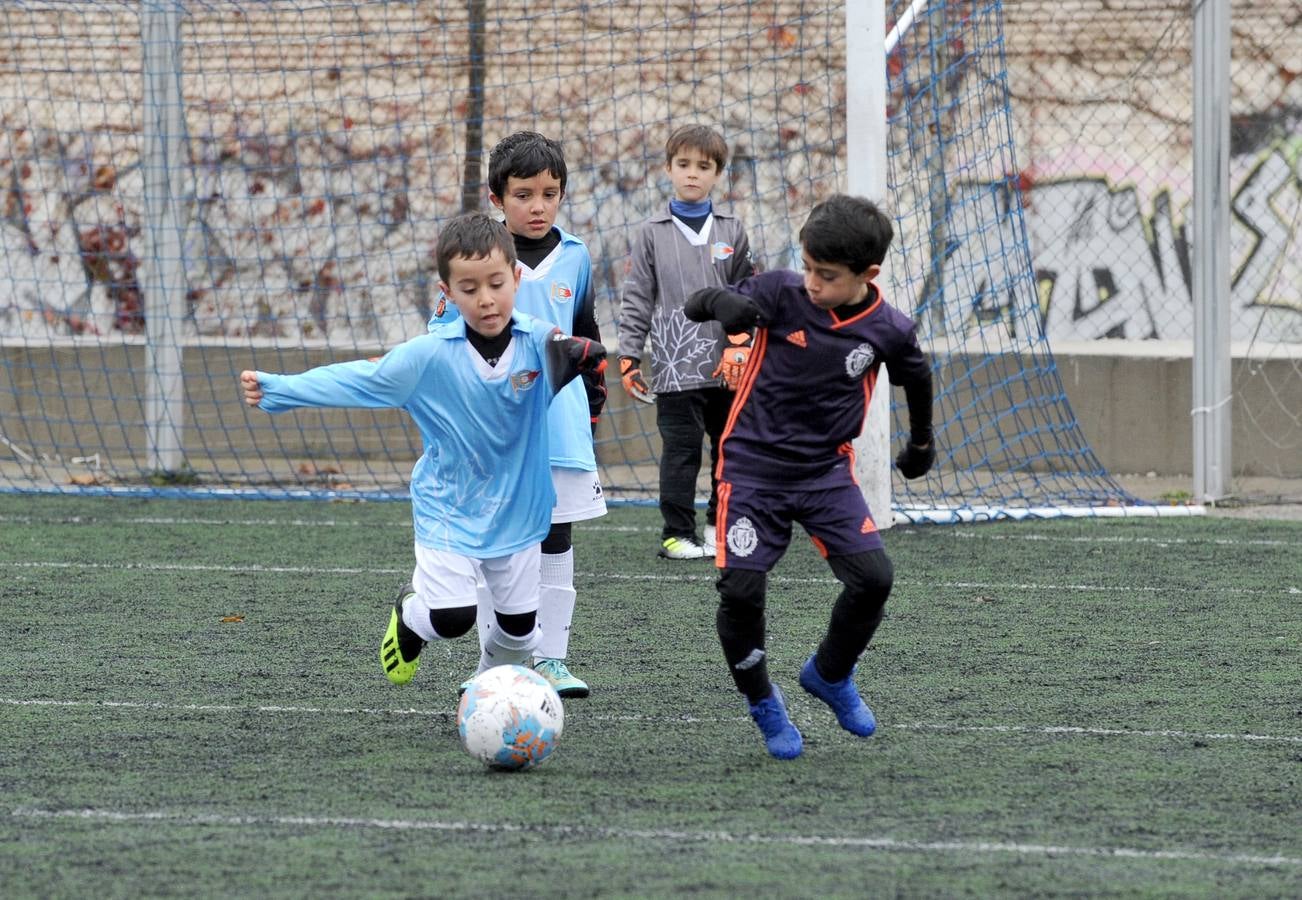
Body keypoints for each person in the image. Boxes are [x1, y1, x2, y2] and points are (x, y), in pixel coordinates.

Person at [240, 212, 606, 691]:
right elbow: (360, 380)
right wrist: (278, 389)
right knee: (453, 616)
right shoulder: (428, 356)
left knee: (519, 634)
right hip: (449, 507)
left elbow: (583, 356)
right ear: (448, 292)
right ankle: (410, 616)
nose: (486, 299)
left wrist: (589, 364)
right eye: (469, 289)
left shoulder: (539, 343)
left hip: (520, 511)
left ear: (516, 279)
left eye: (496, 283)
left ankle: (490, 692)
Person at [683, 194, 935, 760]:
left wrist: (921, 442)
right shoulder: (779, 293)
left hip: (824, 473)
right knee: (742, 592)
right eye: (808, 267)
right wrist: (723, 303)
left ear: (867, 275)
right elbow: (697, 303)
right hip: (751, 470)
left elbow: (916, 376)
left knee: (873, 579)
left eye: (827, 276)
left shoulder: (887, 328)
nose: (813, 284)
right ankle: (763, 701)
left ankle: (830, 674)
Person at [428, 132, 606, 698]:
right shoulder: (481, 257)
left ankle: (551, 659)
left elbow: (587, 338)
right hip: (495, 433)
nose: (538, 205)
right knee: (497, 546)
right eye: (524, 194)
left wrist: (591, 409)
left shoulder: (575, 255)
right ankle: (495, 665)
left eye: (550, 194)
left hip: (559, 427)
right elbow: (440, 338)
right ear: (498, 198)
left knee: (556, 537)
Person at [618, 124, 755, 561]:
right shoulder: (651, 232)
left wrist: (742, 342)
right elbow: (638, 295)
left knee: (728, 449)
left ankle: (720, 525)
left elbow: (748, 293)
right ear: (668, 169)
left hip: (728, 367)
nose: (692, 174)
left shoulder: (733, 230)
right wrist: (628, 356)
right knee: (680, 452)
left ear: (718, 174)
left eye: (704, 166)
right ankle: (677, 533)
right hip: (674, 367)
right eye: (683, 165)